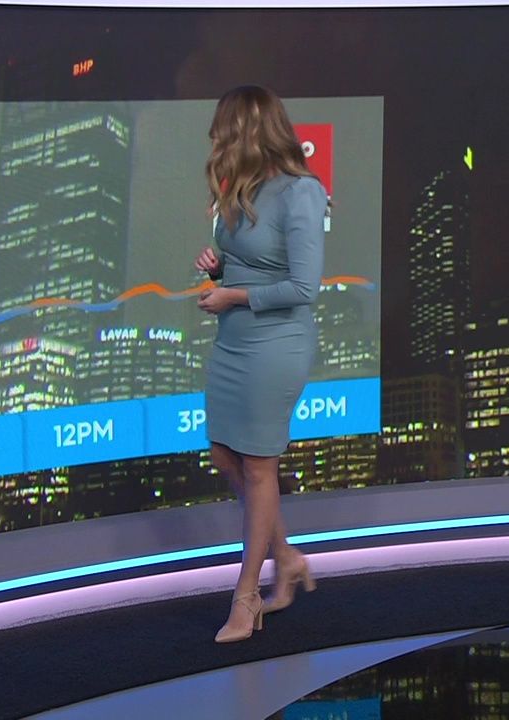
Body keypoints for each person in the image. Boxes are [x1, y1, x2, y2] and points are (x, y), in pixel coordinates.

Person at [193, 85, 327, 643]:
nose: (217, 140)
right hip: (234, 342)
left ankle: (247, 596)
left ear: (249, 131)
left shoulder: (302, 192)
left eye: (224, 130)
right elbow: (246, 262)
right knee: (225, 455)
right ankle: (287, 557)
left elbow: (303, 287)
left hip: (276, 345)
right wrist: (217, 267)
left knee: (257, 467)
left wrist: (233, 295)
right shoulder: (244, 190)